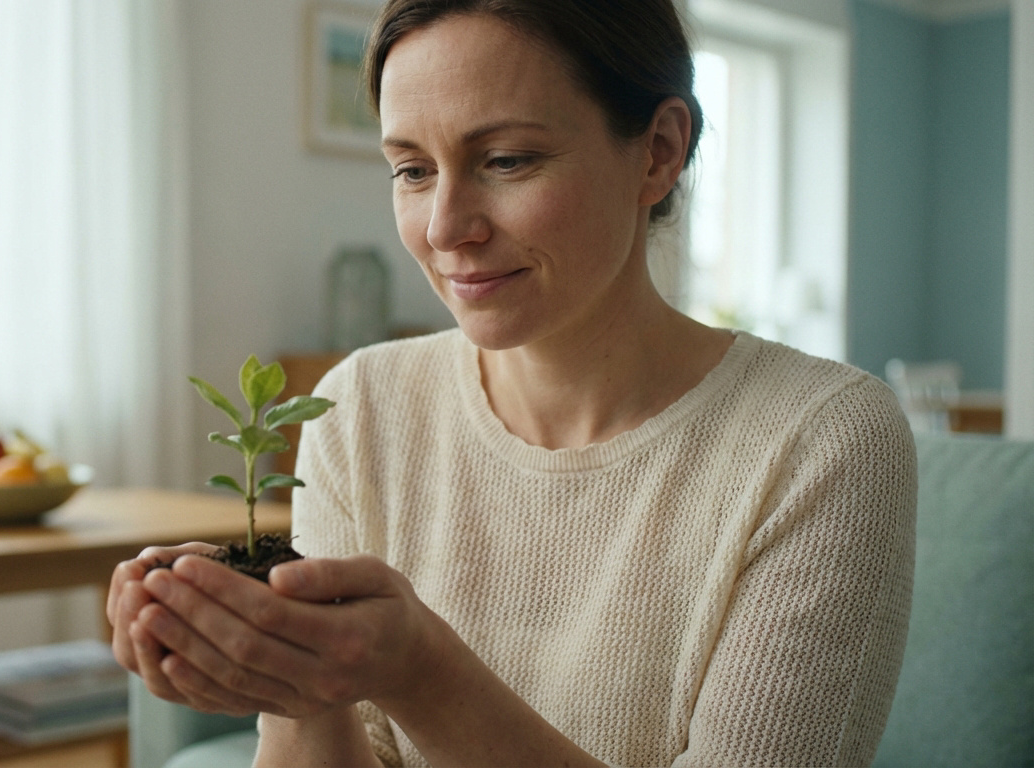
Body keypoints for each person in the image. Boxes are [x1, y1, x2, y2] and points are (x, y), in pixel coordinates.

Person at [107, 0, 917, 765]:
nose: (446, 228)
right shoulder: (360, 408)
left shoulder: (822, 440)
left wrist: (418, 669)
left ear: (659, 151)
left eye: (506, 160)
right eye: (412, 170)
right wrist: (294, 669)